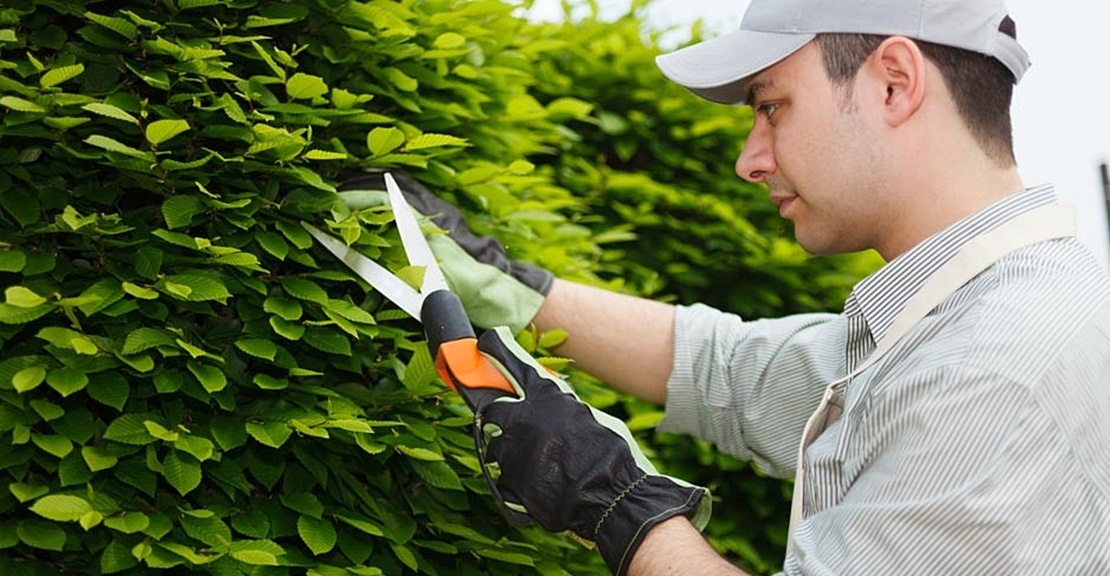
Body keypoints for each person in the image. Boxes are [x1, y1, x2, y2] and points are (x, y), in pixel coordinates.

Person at [343, 0, 1110, 573]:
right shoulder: (969, 308)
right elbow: (730, 371)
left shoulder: (997, 363)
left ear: (893, 84)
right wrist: (515, 288)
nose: (751, 159)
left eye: (771, 106)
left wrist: (620, 506)